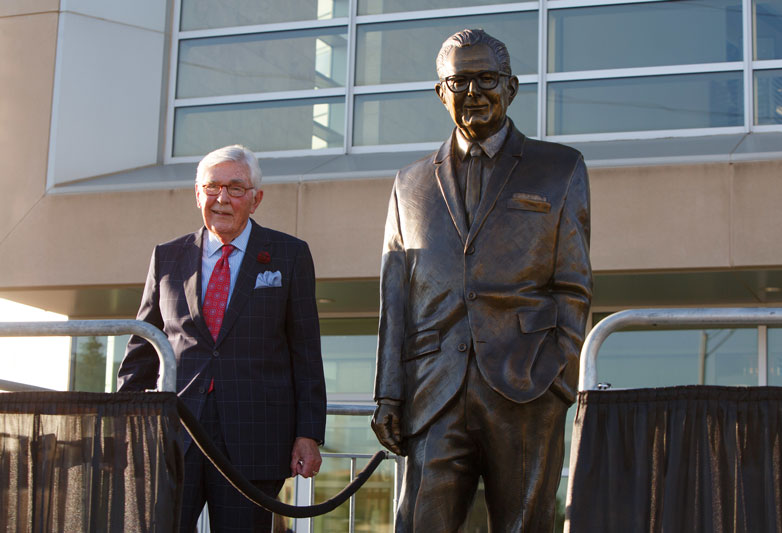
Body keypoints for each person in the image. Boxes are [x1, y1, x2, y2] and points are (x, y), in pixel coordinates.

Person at [371, 29, 592, 532]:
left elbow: (574, 286)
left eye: (486, 78)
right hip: (434, 393)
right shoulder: (409, 183)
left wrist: (557, 376)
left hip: (527, 386)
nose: (474, 92)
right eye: (460, 80)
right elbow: (395, 297)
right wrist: (388, 393)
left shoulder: (559, 168)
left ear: (511, 87)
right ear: (440, 92)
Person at [118, 144, 327, 532]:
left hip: (255, 437)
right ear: (197, 193)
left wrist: (309, 433)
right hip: (176, 435)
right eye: (212, 187)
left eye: (235, 188)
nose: (222, 199)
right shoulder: (167, 257)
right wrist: (126, 422)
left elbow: (306, 353)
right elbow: (143, 346)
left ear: (255, 199)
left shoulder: (290, 255)